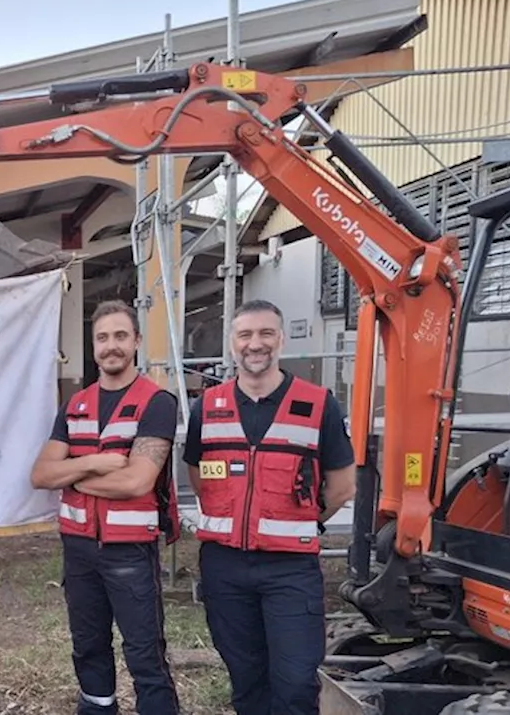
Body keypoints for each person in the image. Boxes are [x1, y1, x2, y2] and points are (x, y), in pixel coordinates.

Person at [183, 299, 357, 715]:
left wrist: (298, 522)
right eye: (245, 335)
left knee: (296, 682)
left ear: (280, 339)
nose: (254, 344)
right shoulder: (206, 408)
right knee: (246, 679)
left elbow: (343, 485)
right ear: (232, 344)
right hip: (225, 567)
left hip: (290, 570)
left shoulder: (318, 405)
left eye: (265, 334)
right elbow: (197, 474)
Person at [30, 299, 182, 715]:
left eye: (119, 336)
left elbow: (137, 481)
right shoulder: (76, 405)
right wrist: (94, 463)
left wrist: (71, 474)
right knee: (88, 648)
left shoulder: (157, 403)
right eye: (102, 338)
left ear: (135, 341)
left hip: (129, 550)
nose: (110, 345)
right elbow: (41, 475)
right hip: (79, 552)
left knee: (144, 654)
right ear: (93, 346)